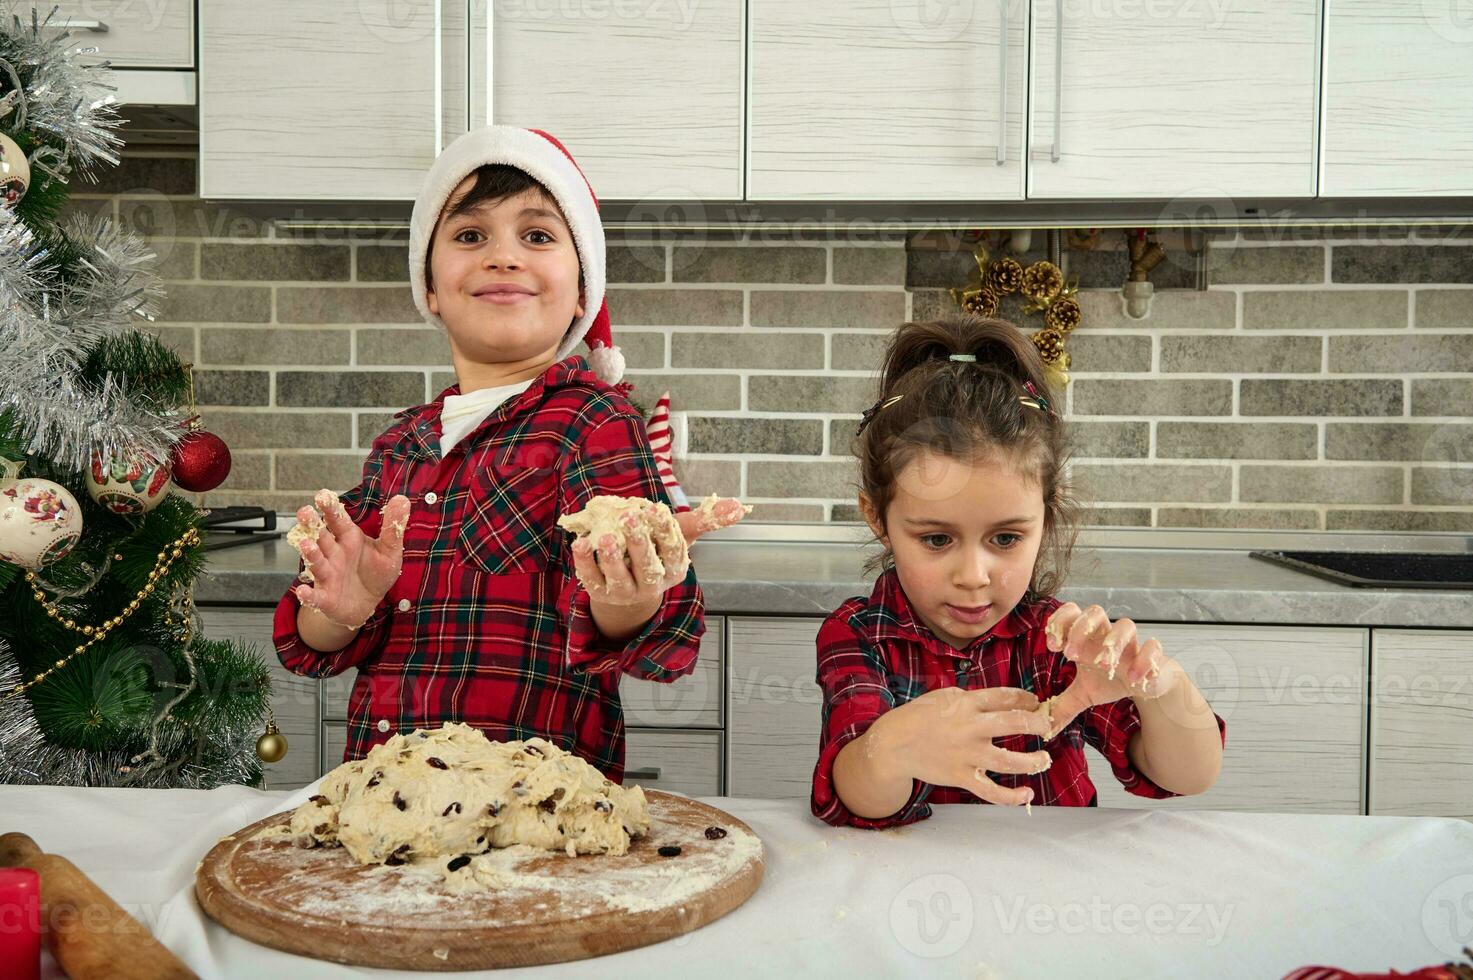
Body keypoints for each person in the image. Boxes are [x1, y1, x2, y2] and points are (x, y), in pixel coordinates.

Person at [272, 126, 744, 779]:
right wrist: (337, 610)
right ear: (430, 286)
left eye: (538, 236)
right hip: (383, 803)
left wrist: (632, 592)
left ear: (583, 290)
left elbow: (650, 629)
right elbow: (316, 637)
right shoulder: (398, 445)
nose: (503, 257)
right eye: (470, 236)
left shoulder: (593, 421)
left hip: (536, 818)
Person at [812, 316, 1225, 828]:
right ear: (878, 519)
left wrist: (1160, 687)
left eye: (1005, 539)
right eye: (937, 539)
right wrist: (893, 749)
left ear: (1045, 520)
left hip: (1055, 894)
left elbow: (1188, 775)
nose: (973, 575)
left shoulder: (1061, 642)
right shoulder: (859, 636)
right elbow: (856, 797)